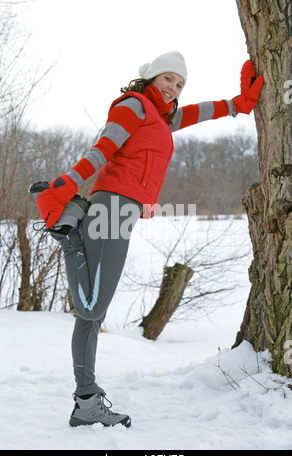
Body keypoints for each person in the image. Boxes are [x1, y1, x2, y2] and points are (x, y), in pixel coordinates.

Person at [31, 51, 264, 428]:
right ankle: (69, 232)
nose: (174, 87)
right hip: (111, 206)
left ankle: (86, 400)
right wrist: (69, 183)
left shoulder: (161, 116)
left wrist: (240, 105)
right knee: (91, 308)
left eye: (180, 83)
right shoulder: (134, 106)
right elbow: (103, 148)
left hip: (122, 210)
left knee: (93, 315)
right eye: (168, 78)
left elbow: (202, 111)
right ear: (151, 77)